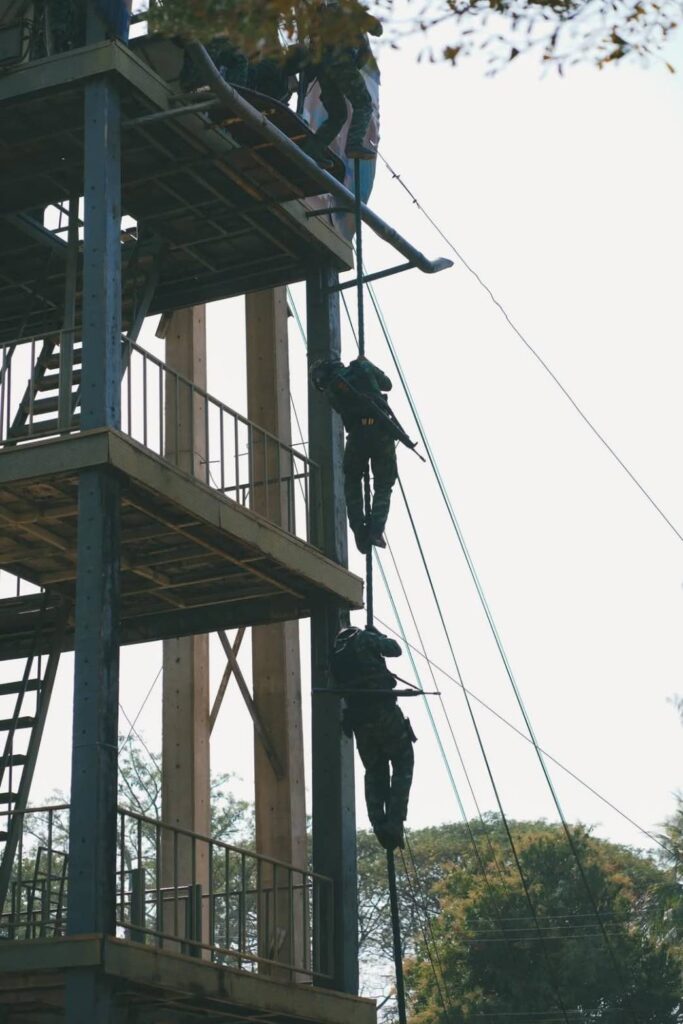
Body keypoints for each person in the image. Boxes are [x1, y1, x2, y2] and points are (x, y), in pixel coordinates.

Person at [332, 625, 415, 850]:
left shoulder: (335, 654)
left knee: (375, 772)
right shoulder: (365, 639)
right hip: (384, 713)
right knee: (403, 762)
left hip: (360, 723)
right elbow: (395, 649)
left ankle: (379, 824)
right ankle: (395, 821)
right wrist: (378, 635)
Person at [310, 355, 398, 554]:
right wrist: (368, 364)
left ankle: (359, 529)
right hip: (381, 431)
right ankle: (376, 530)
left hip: (357, 436)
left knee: (352, 482)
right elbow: (387, 384)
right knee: (384, 484)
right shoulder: (362, 368)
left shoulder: (331, 391)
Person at [305, 0, 382, 163]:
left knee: (338, 115)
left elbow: (313, 47)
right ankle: (354, 144)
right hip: (342, 64)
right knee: (364, 103)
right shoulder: (348, 10)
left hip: (324, 70)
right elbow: (377, 30)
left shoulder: (320, 16)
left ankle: (314, 149)